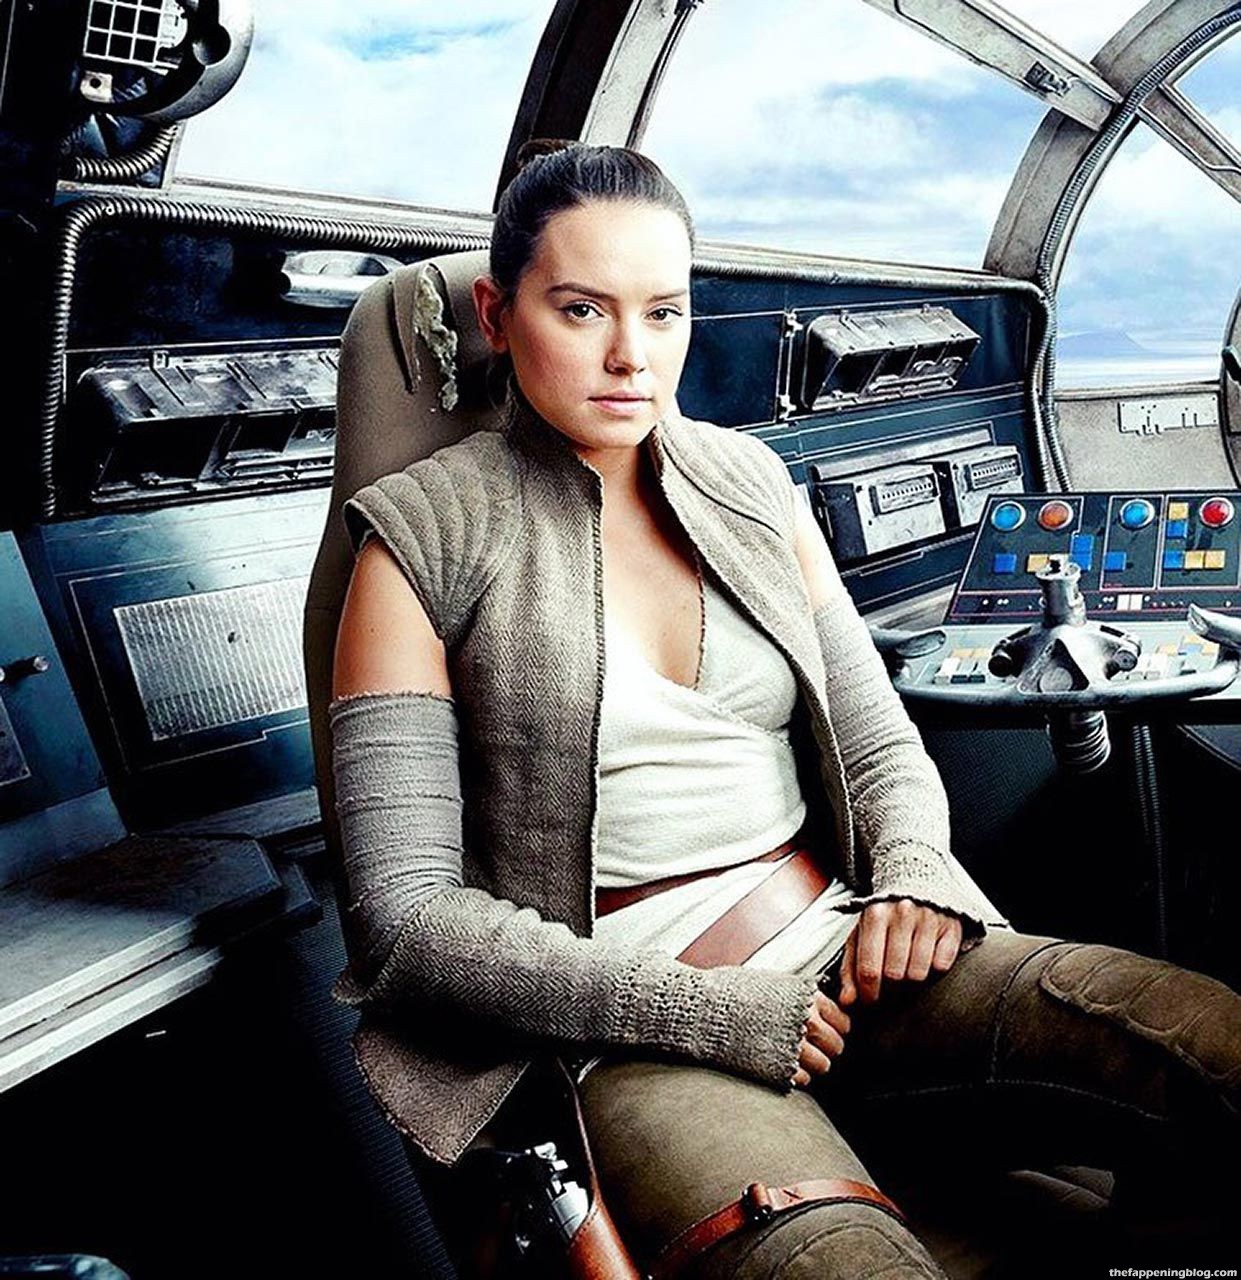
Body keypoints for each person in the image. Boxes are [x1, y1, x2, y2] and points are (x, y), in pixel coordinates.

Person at [327, 141, 1241, 1278]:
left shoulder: (750, 482)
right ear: (497, 314)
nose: (630, 355)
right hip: (625, 1032)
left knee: (1212, 1050)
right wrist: (699, 1013)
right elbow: (406, 921)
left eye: (663, 313)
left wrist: (910, 867)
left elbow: (876, 738)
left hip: (847, 955)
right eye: (582, 309)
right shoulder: (417, 536)